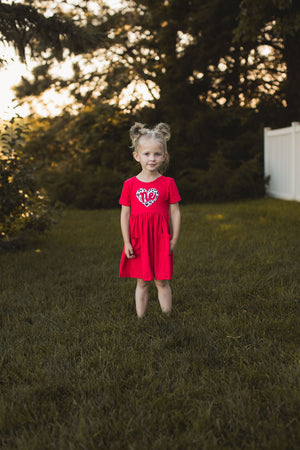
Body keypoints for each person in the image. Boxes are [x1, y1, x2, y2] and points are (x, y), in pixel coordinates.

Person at [119, 122, 181, 318]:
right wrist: (127, 241)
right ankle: (140, 320)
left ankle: (167, 318)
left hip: (161, 239)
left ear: (164, 156)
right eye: (146, 154)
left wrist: (173, 239)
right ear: (137, 156)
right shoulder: (130, 185)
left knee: (162, 281)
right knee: (142, 281)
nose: (151, 159)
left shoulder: (168, 183)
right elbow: (125, 214)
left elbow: (175, 212)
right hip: (139, 240)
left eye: (156, 154)